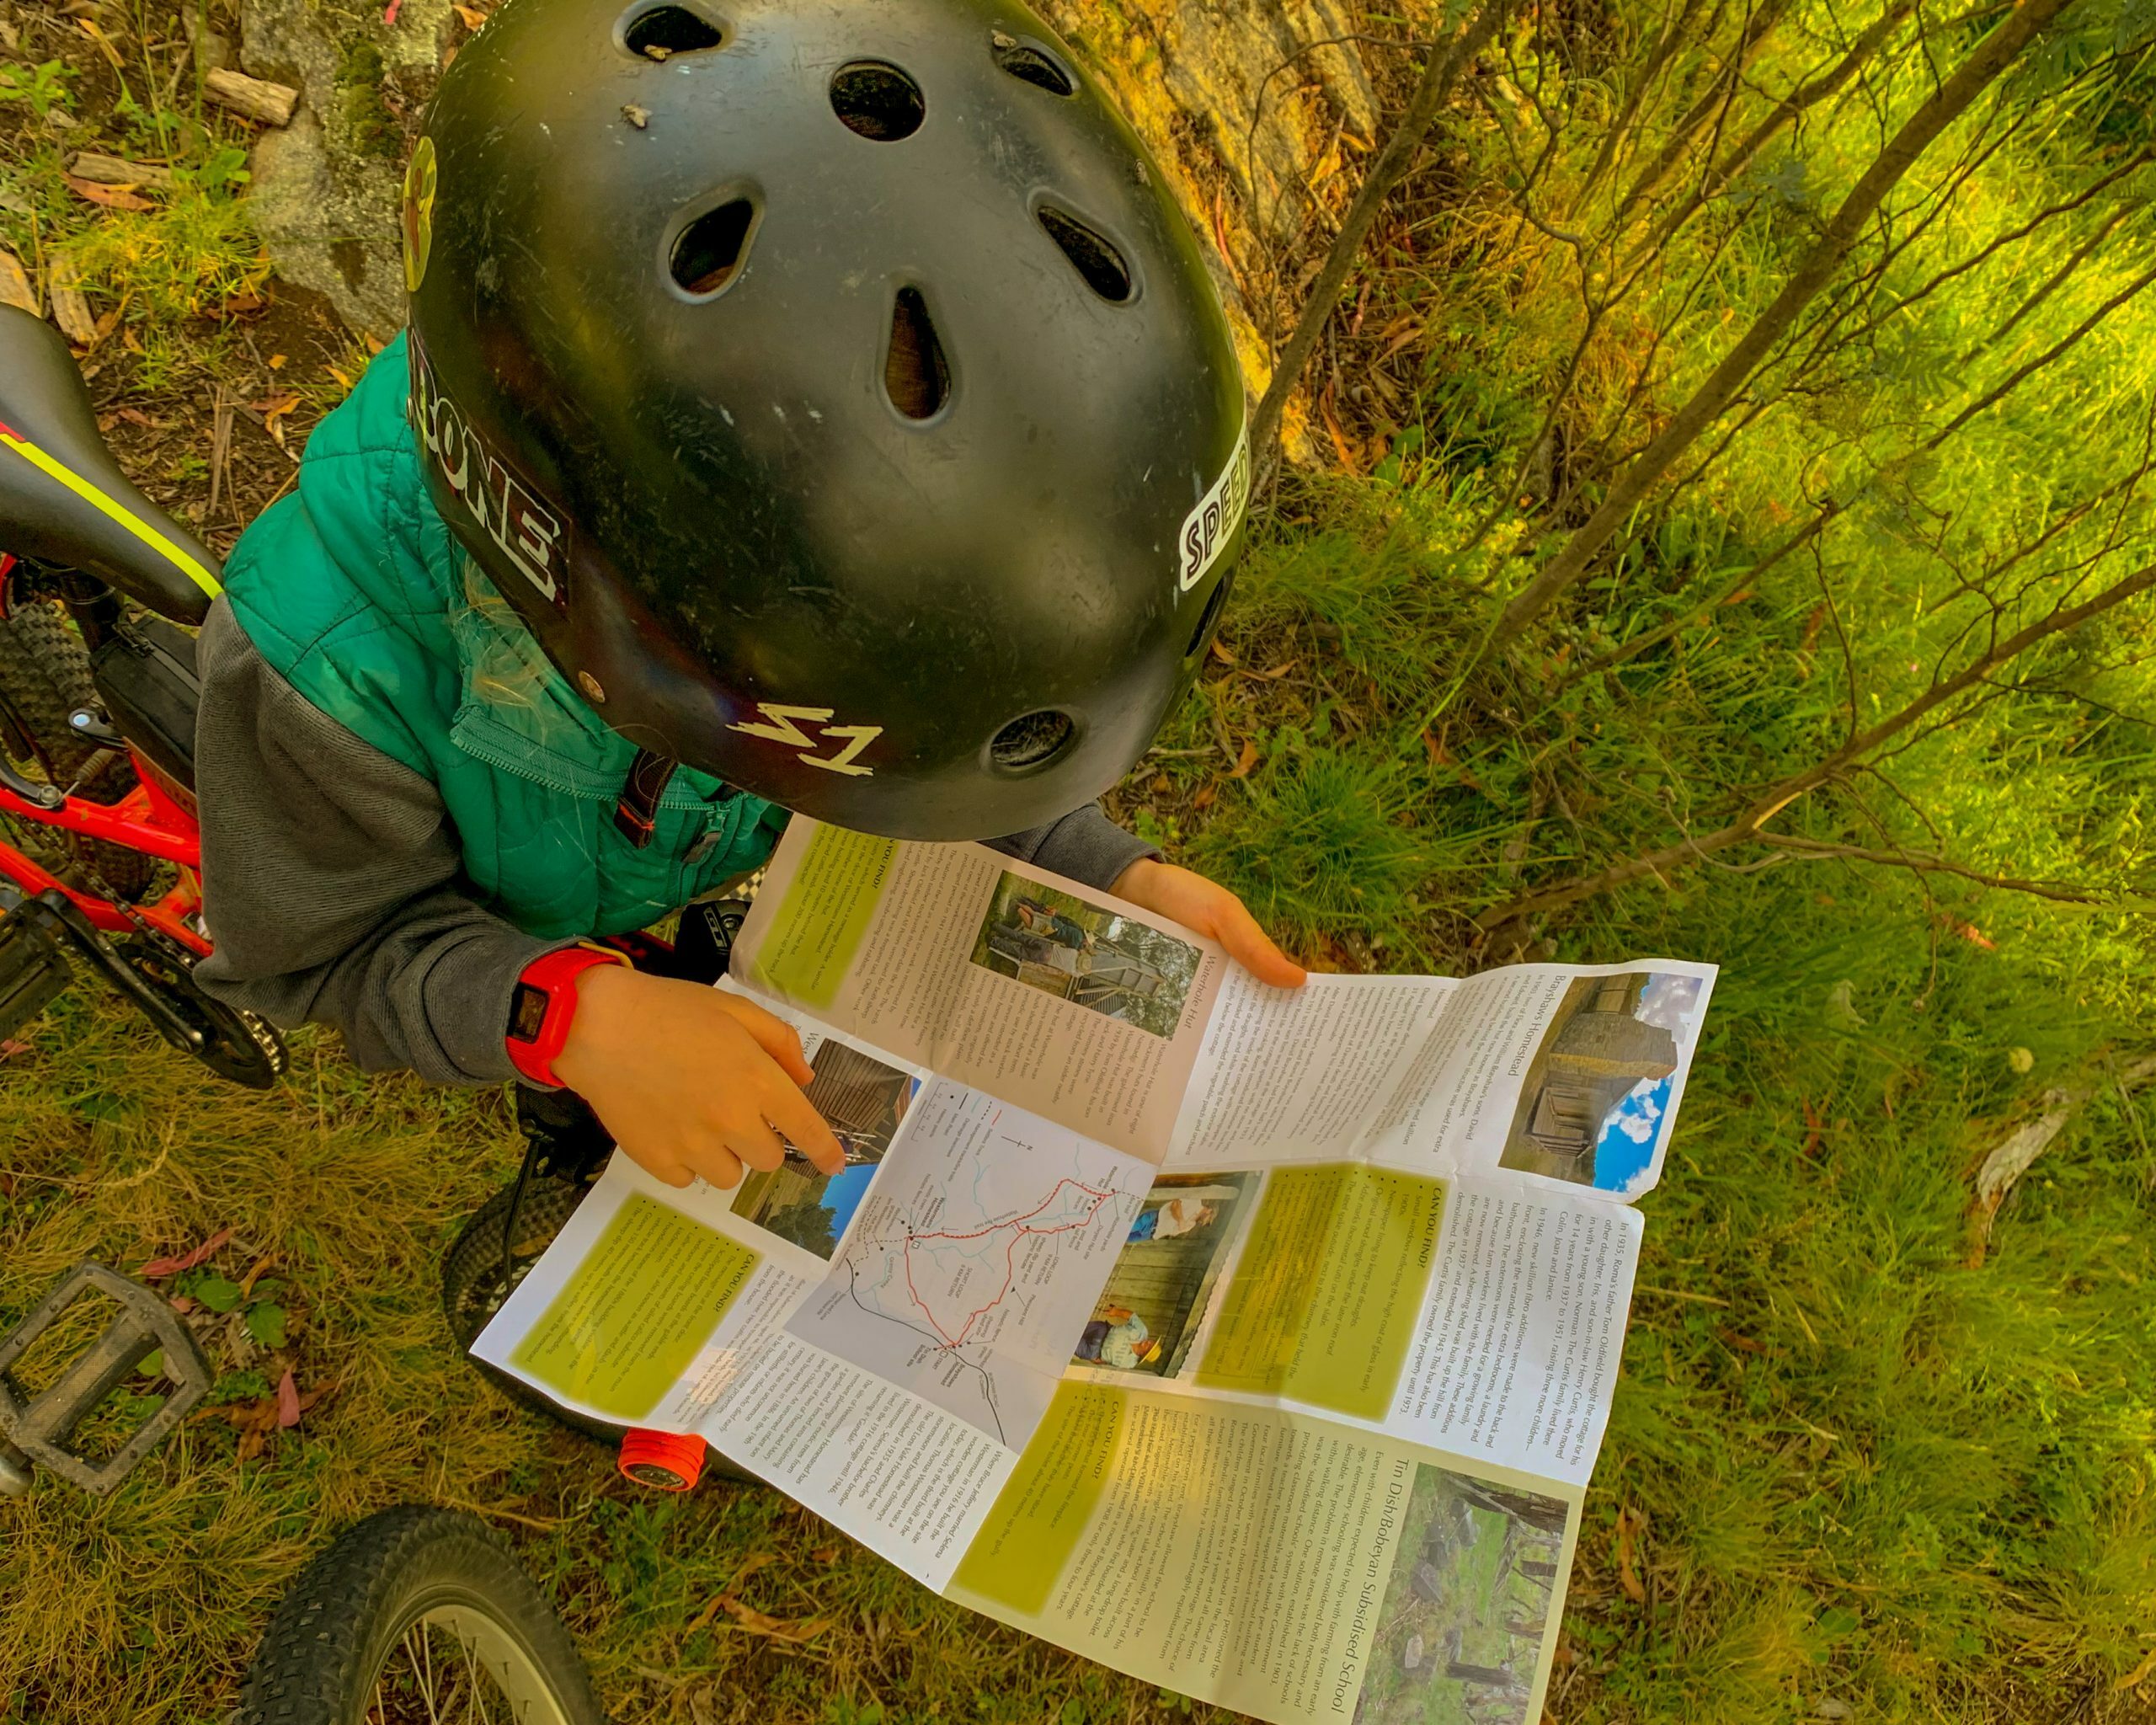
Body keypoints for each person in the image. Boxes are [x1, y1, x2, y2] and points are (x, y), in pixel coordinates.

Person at [191, 0, 1304, 1196]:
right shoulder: (331, 676)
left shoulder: (711, 559)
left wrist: (1098, 873)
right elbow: (329, 953)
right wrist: (565, 1014)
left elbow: (915, 720)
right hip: (484, 886)